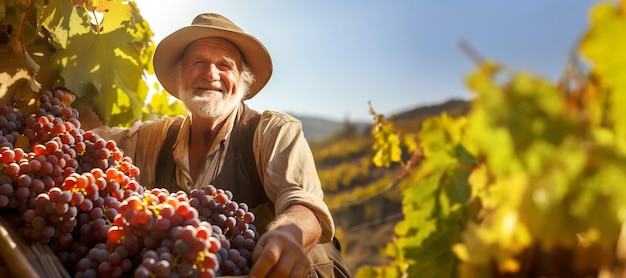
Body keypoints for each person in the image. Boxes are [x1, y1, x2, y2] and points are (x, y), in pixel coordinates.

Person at [92, 13, 351, 278]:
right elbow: (91, 141)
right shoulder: (157, 138)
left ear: (242, 81)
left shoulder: (272, 131)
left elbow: (304, 204)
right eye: (198, 62)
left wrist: (290, 232)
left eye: (225, 65)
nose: (210, 74)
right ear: (180, 77)